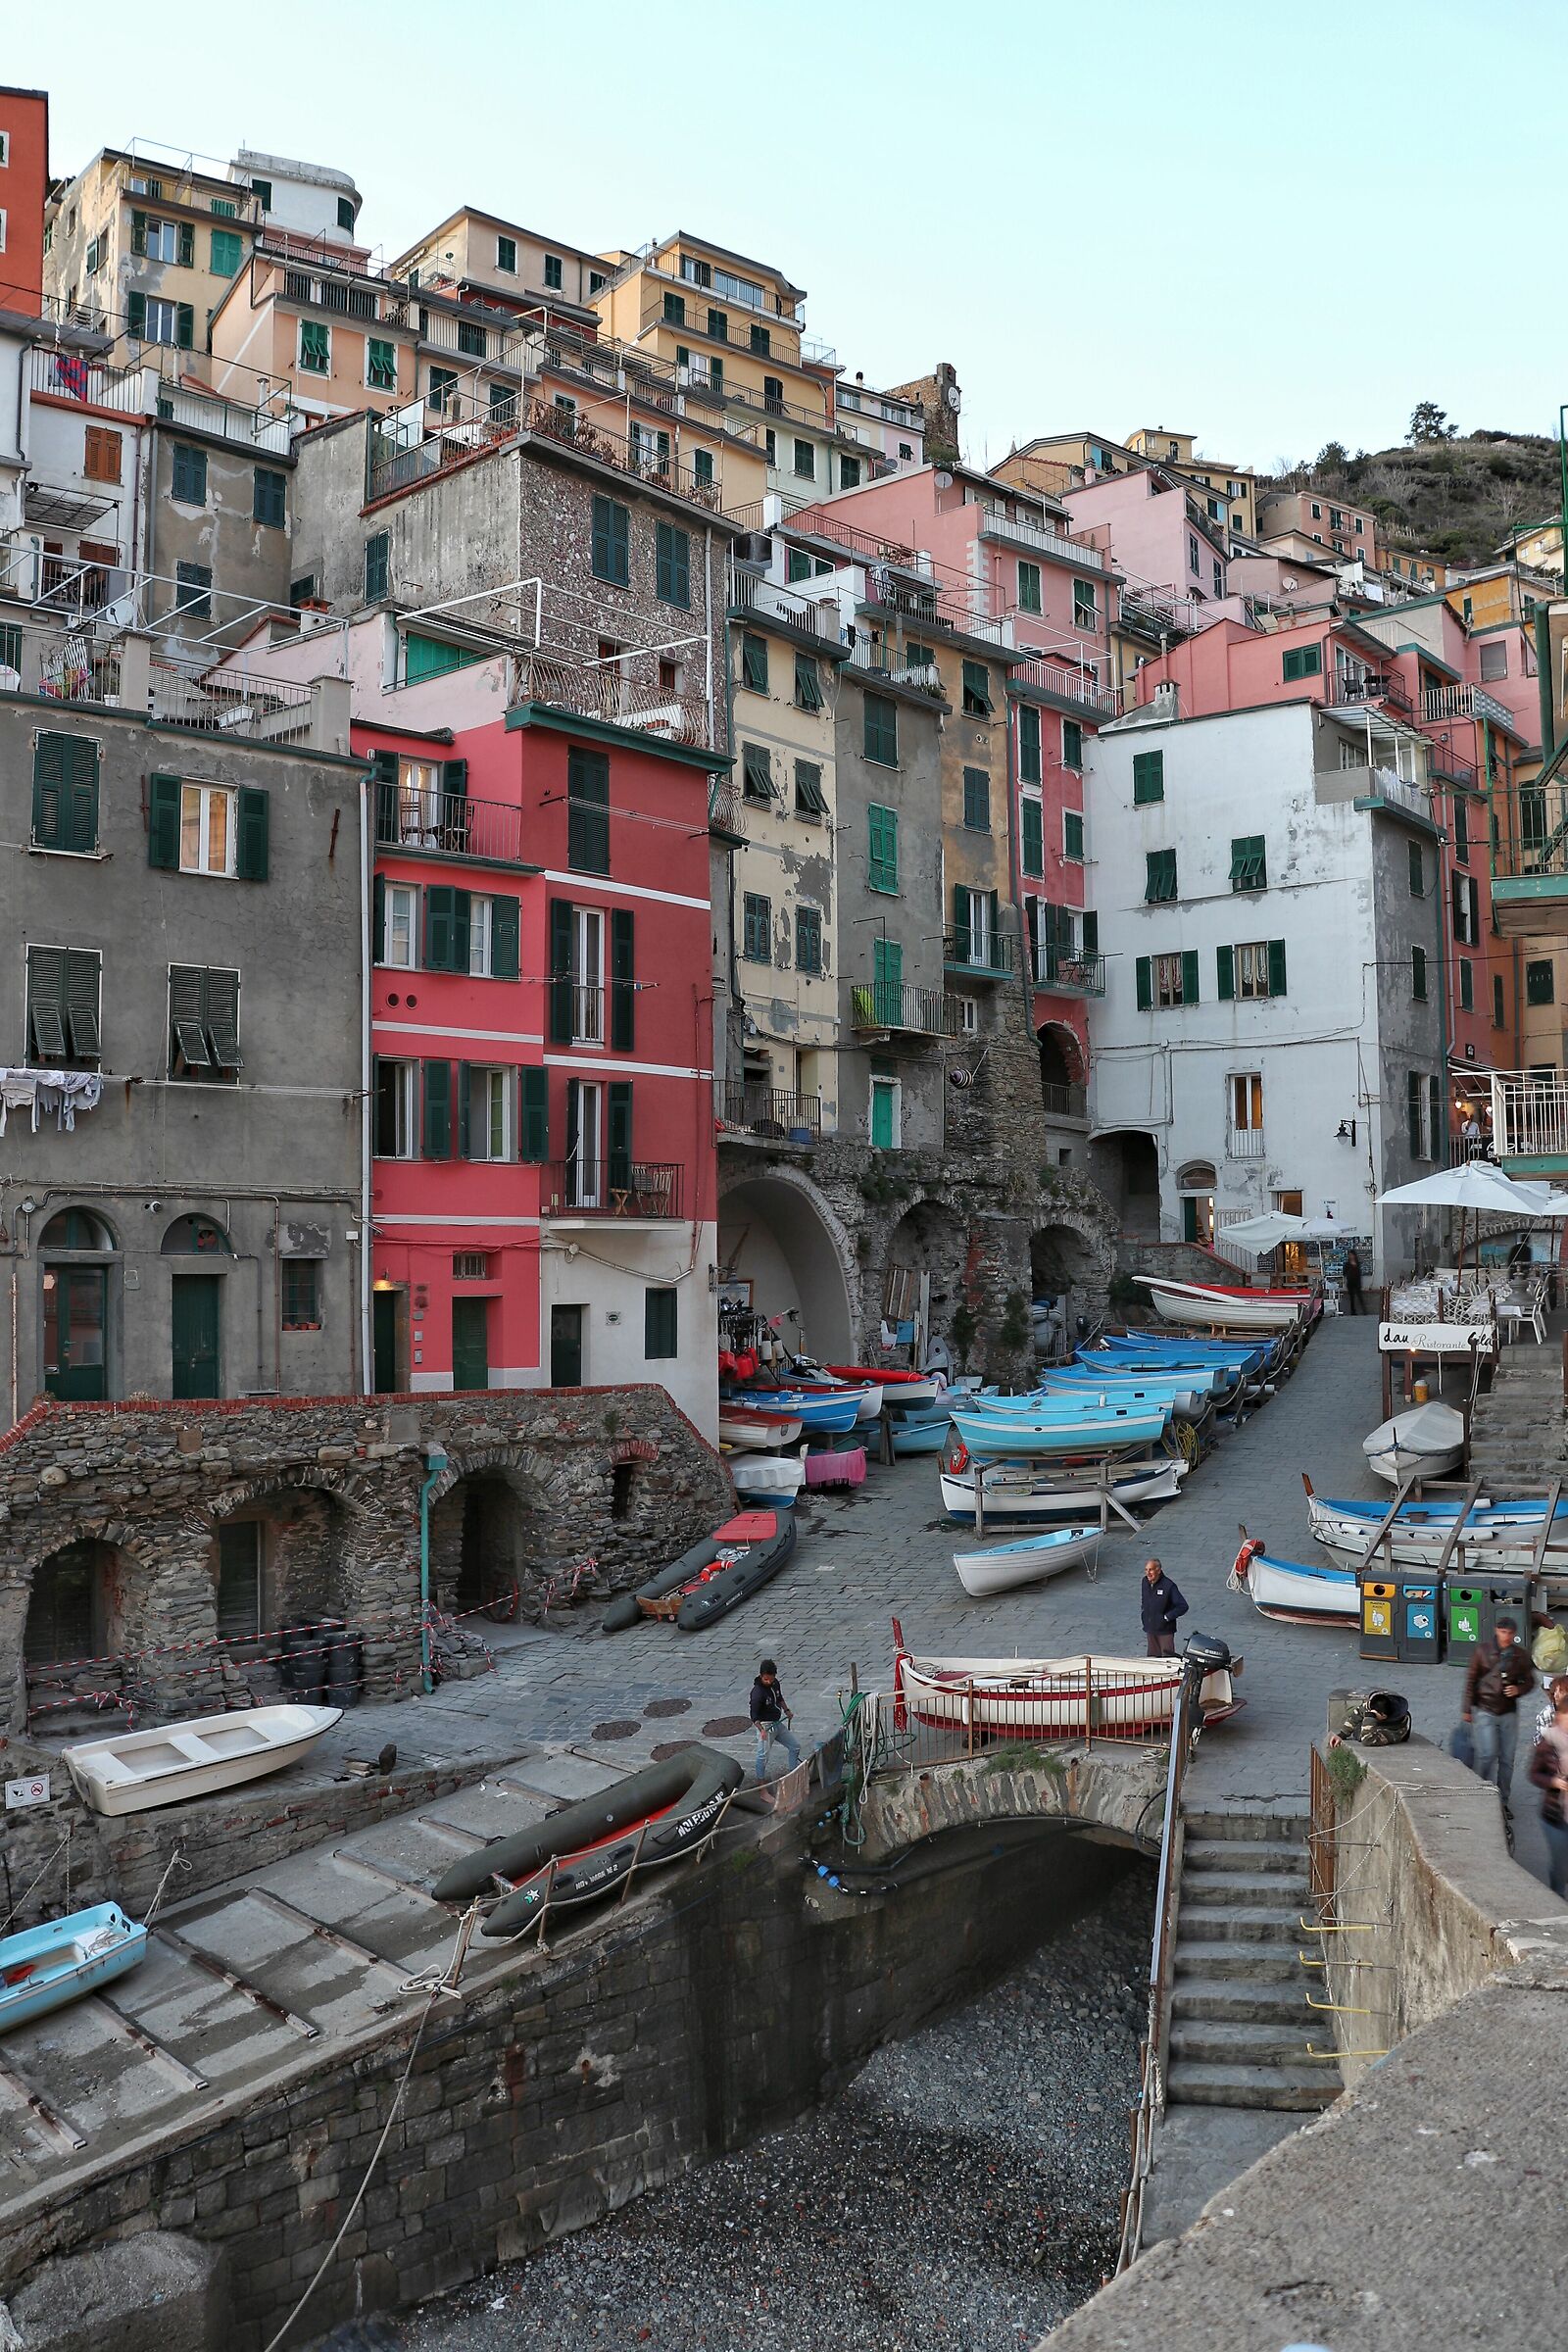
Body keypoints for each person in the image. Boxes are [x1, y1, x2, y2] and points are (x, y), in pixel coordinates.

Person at [1463, 1614, 1536, 1844]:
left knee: (1507, 1759)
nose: (1506, 1637)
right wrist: (1467, 1708)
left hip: (1509, 1712)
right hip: (1485, 1708)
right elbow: (1471, 1679)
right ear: (1496, 1631)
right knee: (1487, 1754)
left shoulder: (1520, 1655)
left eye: (1510, 1633)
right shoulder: (1483, 1652)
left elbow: (1530, 1681)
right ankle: (1481, 1791)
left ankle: (1503, 1800)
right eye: (1503, 1633)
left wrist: (1519, 1690)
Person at [1527, 1677, 1568, 1897]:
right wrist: (1554, 1781)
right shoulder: (1548, 1740)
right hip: (1555, 1815)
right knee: (1561, 1868)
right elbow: (1533, 1773)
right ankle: (1557, 1900)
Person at [749, 1658, 801, 1784]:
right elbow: (753, 1715)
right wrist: (761, 1730)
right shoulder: (757, 1693)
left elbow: (779, 1697)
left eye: (771, 1679)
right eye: (766, 1679)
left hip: (777, 1723)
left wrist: (786, 1710)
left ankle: (793, 1775)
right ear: (761, 1676)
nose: (769, 1682)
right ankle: (761, 1785)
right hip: (765, 1726)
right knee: (762, 1757)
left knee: (795, 1747)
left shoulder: (775, 1683)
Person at [1141, 1558, 1188, 1659]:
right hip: (1150, 1628)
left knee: (1168, 1659)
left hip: (1165, 1631)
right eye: (1146, 1570)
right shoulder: (1145, 1582)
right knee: (1152, 1659)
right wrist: (1144, 1614)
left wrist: (1166, 1617)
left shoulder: (1169, 1586)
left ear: (1158, 1570)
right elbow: (1144, 1600)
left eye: (1151, 1570)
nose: (1148, 1573)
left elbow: (1183, 1606)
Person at [1342, 1249, 1364, 1315]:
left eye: (1352, 1255)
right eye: (1349, 1255)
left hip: (1357, 1282)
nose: (1351, 1256)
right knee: (1352, 1297)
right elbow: (1344, 1273)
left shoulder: (1357, 1263)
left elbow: (1359, 1274)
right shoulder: (1347, 1264)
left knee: (1360, 1296)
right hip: (1350, 1282)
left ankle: (1363, 1310)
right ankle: (1353, 1311)